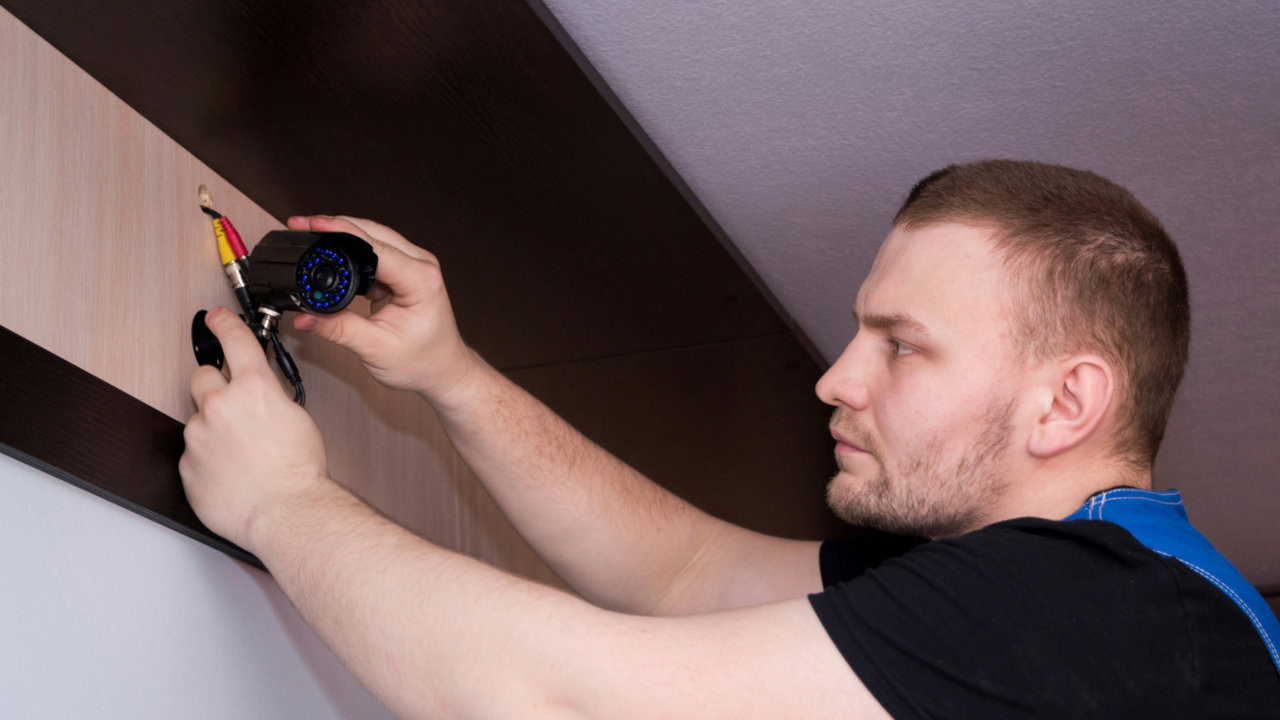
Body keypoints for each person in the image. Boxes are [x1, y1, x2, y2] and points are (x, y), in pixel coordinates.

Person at [179, 160, 1280, 719]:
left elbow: (559, 698)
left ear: (1064, 404)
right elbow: (684, 571)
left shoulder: (1109, 612)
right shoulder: (1046, 589)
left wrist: (280, 504)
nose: (833, 378)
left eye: (900, 347)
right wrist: (449, 377)